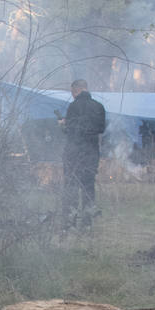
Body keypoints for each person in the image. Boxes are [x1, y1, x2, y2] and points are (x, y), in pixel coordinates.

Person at [60, 79, 106, 218]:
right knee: (88, 183)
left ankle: (72, 215)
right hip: (92, 152)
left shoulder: (74, 107)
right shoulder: (99, 107)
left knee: (72, 183)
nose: (72, 95)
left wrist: (63, 124)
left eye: (72, 92)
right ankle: (88, 215)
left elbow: (71, 131)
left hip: (74, 153)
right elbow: (101, 129)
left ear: (76, 90)